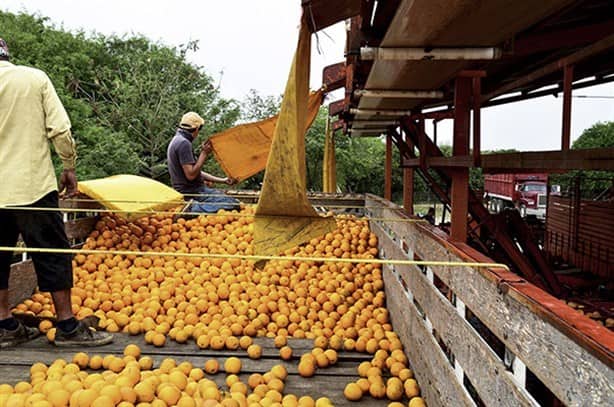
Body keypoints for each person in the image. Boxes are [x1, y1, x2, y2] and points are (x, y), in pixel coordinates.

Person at [0, 38, 113, 347]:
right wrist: (69, 166)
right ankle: (66, 326)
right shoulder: (33, 78)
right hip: (31, 186)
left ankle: (4, 325)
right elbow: (60, 130)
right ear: (8, 54)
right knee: (52, 253)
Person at [167, 112, 240, 213]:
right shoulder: (184, 143)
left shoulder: (176, 140)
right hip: (192, 192)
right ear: (196, 129)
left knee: (228, 200)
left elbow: (196, 172)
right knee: (233, 203)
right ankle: (194, 209)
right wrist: (204, 153)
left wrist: (223, 180)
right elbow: (191, 175)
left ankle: (196, 207)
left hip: (190, 191)